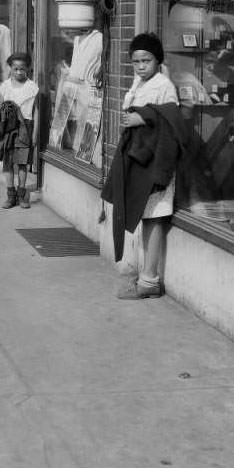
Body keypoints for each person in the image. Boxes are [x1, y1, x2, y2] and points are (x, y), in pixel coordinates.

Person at [102, 32, 183, 300]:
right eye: (135, 61)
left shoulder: (164, 85)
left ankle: (149, 280)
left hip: (155, 164)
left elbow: (173, 122)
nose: (140, 66)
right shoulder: (139, 82)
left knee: (154, 218)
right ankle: (145, 273)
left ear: (157, 59)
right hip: (139, 161)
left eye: (146, 60)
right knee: (144, 216)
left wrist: (143, 118)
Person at [0, 52, 40, 209]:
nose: (19, 72)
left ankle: (22, 194)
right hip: (8, 128)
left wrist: (34, 134)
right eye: (15, 68)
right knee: (8, 162)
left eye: (22, 69)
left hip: (25, 126)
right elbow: (0, 111)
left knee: (22, 163)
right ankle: (10, 194)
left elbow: (36, 113)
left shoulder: (32, 88)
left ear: (27, 68)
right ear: (10, 69)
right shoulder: (5, 87)